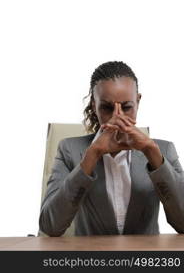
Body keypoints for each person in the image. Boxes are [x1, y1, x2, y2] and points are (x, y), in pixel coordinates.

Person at [39, 61, 184, 236]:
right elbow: (50, 226)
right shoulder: (69, 149)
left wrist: (152, 153)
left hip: (145, 258)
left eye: (127, 107)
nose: (118, 117)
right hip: (92, 258)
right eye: (107, 108)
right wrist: (91, 155)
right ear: (94, 104)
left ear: (138, 101)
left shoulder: (164, 150)